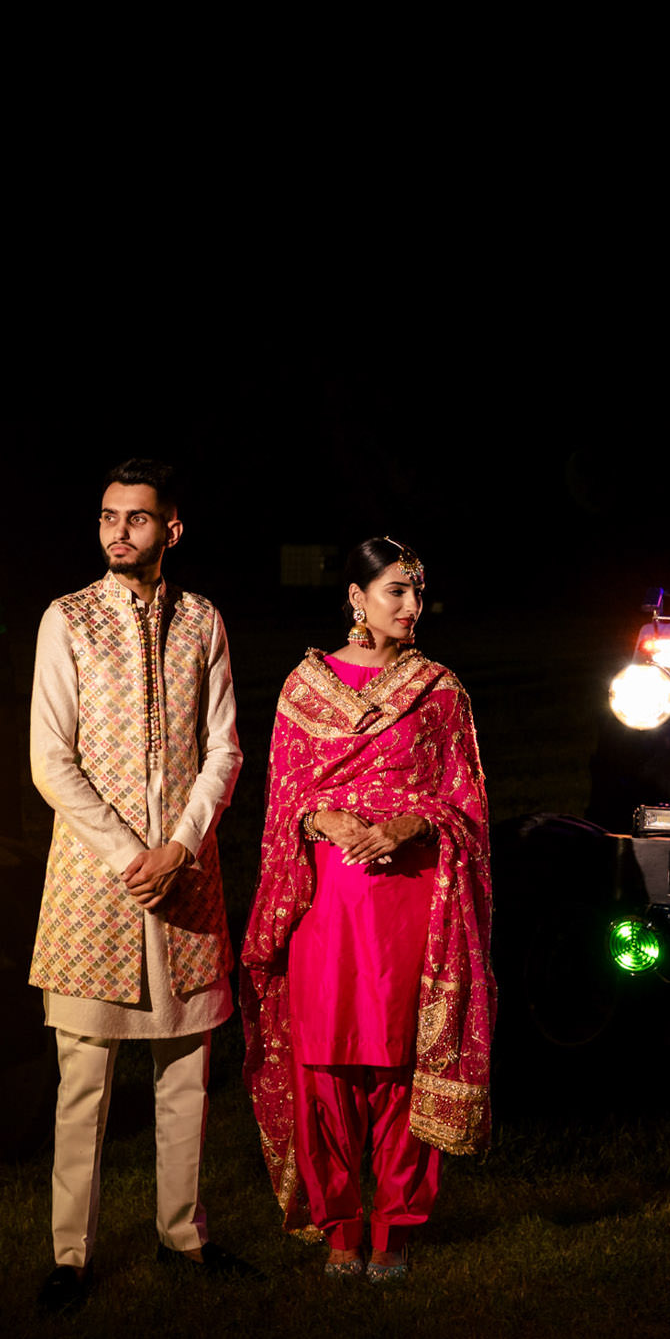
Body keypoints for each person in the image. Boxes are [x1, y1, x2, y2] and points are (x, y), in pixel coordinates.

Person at [29, 459, 260, 1314]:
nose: (119, 531)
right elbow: (50, 759)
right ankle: (71, 1257)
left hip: (185, 878)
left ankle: (183, 1236)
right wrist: (135, 855)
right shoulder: (69, 619)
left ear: (172, 529)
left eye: (136, 517)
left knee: (186, 1073)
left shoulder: (202, 620)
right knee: (83, 1082)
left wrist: (182, 846)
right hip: (96, 880)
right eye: (108, 516)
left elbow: (224, 747)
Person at [240, 536, 494, 1283]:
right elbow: (284, 798)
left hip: (412, 895)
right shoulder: (303, 689)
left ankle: (396, 1230)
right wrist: (325, 817)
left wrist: (410, 823)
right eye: (396, 592)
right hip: (327, 898)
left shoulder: (439, 690)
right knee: (325, 1061)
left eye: (418, 592)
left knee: (399, 1060)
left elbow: (465, 801)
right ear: (356, 598)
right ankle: (340, 1227)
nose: (413, 606)